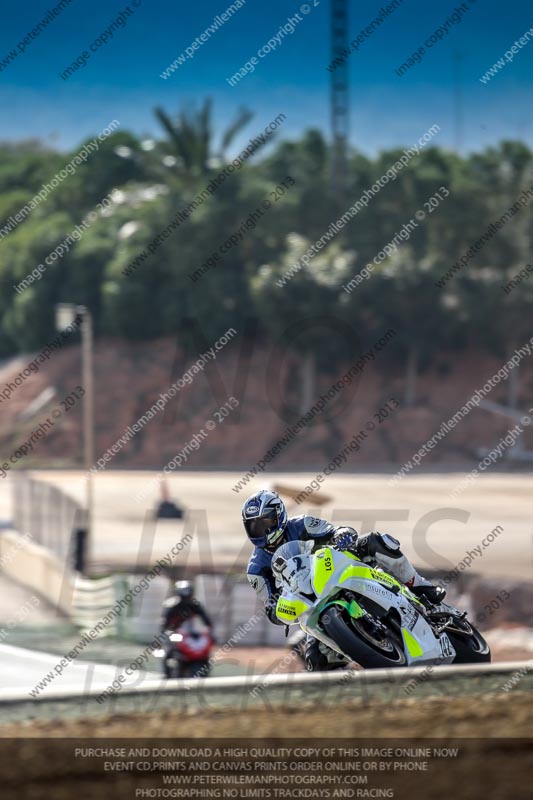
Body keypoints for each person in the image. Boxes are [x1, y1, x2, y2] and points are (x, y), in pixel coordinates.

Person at [243, 489, 445, 671]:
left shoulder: (302, 524)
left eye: (264, 522)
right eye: (252, 526)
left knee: (376, 541)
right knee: (315, 662)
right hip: (311, 605)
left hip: (337, 570)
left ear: (278, 515)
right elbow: (270, 605)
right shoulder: (256, 570)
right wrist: (277, 612)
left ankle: (420, 586)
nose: (259, 530)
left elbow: (334, 531)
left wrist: (342, 534)